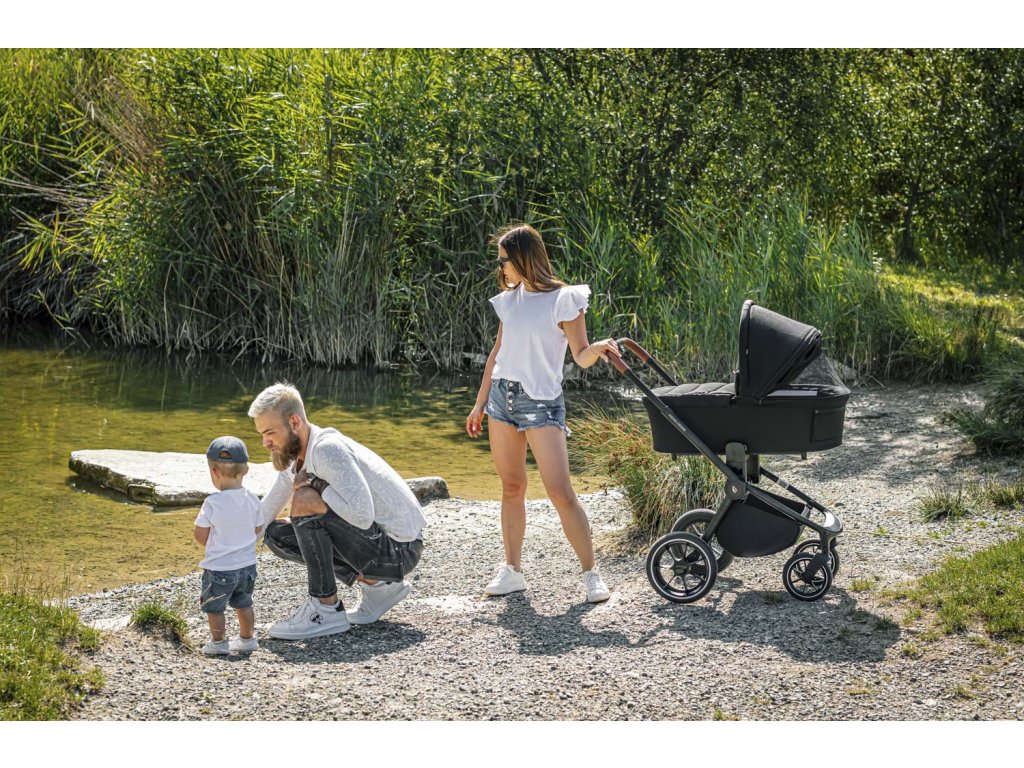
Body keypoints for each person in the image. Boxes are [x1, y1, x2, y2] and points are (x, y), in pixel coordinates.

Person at [465, 223, 618, 603]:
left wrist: (597, 348)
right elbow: (497, 354)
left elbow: (580, 356)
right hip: (502, 399)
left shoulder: (565, 299)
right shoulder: (509, 300)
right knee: (512, 487)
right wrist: (480, 403)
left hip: (541, 403)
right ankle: (512, 570)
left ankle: (591, 574)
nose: (500, 267)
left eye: (504, 260)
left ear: (522, 258)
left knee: (560, 491)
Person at [250, 383, 426, 640]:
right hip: (380, 545)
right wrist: (226, 554)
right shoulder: (294, 456)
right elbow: (265, 514)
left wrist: (316, 485)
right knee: (277, 533)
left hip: (401, 550)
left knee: (305, 498)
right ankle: (378, 587)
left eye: (269, 433)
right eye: (261, 434)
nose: (265, 442)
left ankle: (325, 608)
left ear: (294, 422)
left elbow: (362, 516)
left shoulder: (327, 450)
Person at [194, 436, 264, 656]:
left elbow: (200, 535)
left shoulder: (212, 503)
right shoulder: (253, 499)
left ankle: (218, 642)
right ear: (246, 470)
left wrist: (215, 543)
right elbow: (258, 529)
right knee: (244, 603)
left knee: (215, 607)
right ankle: (247, 639)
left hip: (219, 568)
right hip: (247, 566)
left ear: (214, 472)